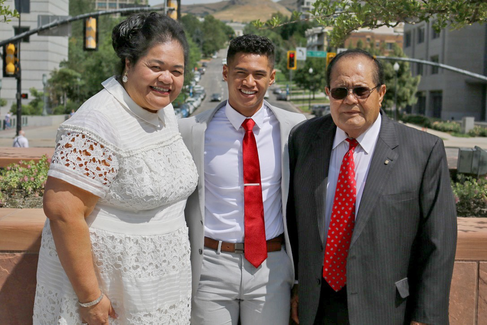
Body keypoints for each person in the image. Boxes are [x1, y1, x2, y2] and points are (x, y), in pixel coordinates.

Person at [33, 12, 198, 324]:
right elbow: (62, 210)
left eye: (177, 71)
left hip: (160, 291)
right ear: (128, 63)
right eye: (156, 66)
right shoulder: (97, 120)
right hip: (110, 296)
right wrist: (91, 299)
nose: (167, 78)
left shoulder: (165, 113)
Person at [287, 49, 457, 325]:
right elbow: (293, 220)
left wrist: (426, 317)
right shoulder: (304, 139)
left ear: (381, 93)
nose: (350, 100)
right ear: (328, 93)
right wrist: (296, 283)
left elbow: (438, 241)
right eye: (340, 91)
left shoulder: (423, 151)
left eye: (361, 90)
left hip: (386, 308)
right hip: (315, 306)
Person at [178, 34, 306, 325]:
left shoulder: (295, 130)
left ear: (272, 77)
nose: (249, 82)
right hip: (210, 265)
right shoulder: (191, 130)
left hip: (271, 268)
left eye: (259, 74)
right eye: (241, 73)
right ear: (226, 73)